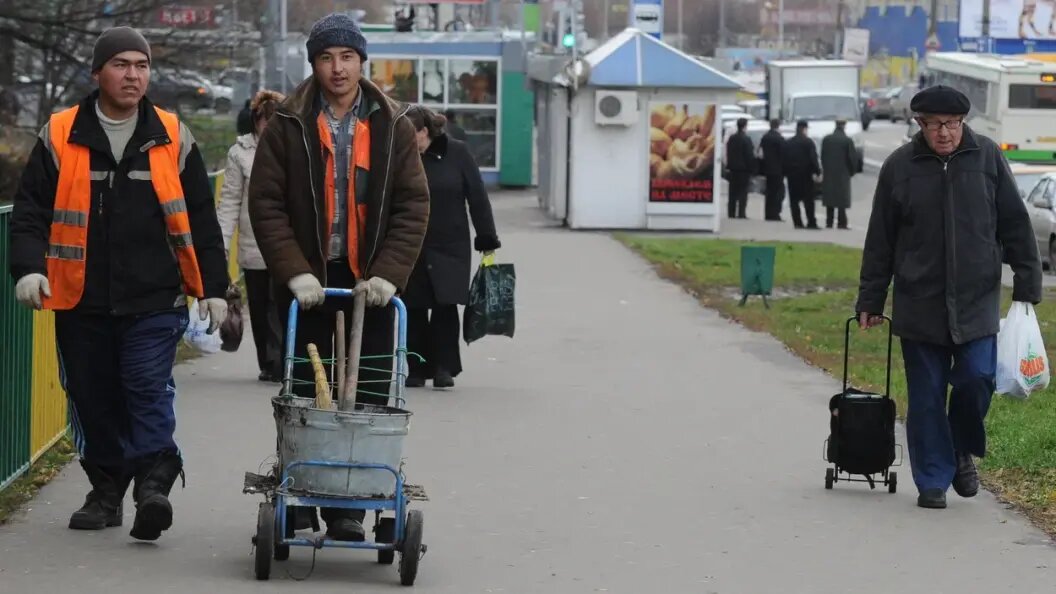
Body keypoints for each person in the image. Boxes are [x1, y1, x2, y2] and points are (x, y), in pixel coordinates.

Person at [7, 26, 228, 540]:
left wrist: (214, 288)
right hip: (78, 295)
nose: (133, 75)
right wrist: (28, 268)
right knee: (90, 395)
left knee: (145, 388)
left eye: (141, 65)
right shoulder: (60, 133)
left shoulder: (173, 134)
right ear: (97, 72)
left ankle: (153, 484)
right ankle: (106, 491)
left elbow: (200, 217)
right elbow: (30, 212)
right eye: (121, 65)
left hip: (155, 297)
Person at [248, 13, 430, 541]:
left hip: (370, 281)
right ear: (314, 63)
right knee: (305, 386)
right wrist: (294, 272)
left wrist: (391, 275)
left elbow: (413, 206)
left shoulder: (391, 123)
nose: (338, 68)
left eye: (347, 57)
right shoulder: (287, 122)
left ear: (361, 61)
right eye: (327, 57)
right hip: (310, 278)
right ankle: (302, 496)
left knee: (370, 388)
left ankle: (351, 506)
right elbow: (267, 205)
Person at [856, 85, 1041, 510]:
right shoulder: (900, 167)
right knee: (925, 396)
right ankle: (933, 480)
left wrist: (1027, 280)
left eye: (953, 124)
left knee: (978, 379)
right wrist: (871, 298)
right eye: (936, 124)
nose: (945, 133)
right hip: (919, 302)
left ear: (963, 123)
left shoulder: (987, 158)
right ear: (919, 124)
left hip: (977, 300)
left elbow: (1015, 221)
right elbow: (880, 240)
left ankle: (961, 448)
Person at [403, 106, 500, 389]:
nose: (408, 143)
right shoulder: (402, 156)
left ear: (425, 132)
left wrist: (486, 237)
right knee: (414, 308)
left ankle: (445, 368)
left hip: (450, 245)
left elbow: (477, 195)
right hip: (412, 244)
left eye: (413, 136)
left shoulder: (457, 153)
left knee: (445, 307)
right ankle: (417, 369)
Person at [216, 89, 286, 382]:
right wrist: (221, 242)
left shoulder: (294, 150)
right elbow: (230, 199)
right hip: (253, 242)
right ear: (255, 121)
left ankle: (283, 360)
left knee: (282, 304)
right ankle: (267, 363)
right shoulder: (240, 153)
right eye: (263, 120)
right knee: (259, 305)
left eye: (275, 120)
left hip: (287, 242)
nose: (268, 126)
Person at [820, 119, 857, 230]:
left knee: (830, 198)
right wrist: (852, 171)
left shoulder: (827, 139)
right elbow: (852, 159)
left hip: (829, 172)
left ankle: (829, 222)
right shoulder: (847, 141)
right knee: (841, 199)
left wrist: (825, 168)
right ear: (844, 126)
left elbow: (822, 156)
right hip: (843, 173)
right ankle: (842, 222)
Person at [783, 119, 820, 229]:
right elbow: (813, 158)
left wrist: (786, 172)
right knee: (808, 200)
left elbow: (784, 159)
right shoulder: (808, 142)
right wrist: (817, 171)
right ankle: (811, 222)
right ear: (804, 129)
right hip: (806, 175)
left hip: (792, 175)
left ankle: (798, 222)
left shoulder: (789, 143)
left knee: (794, 201)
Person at [724, 117, 754, 219]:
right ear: (745, 126)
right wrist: (752, 169)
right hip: (743, 170)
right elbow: (749, 155)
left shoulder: (732, 138)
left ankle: (731, 213)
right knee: (742, 192)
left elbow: (728, 151)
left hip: (733, 169)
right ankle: (741, 213)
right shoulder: (746, 139)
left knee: (732, 192)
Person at [759, 118, 786, 221]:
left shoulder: (765, 137)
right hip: (778, 169)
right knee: (778, 192)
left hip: (767, 168)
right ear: (778, 126)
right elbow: (783, 154)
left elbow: (760, 153)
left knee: (769, 192)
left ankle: (768, 213)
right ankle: (775, 213)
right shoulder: (779, 138)